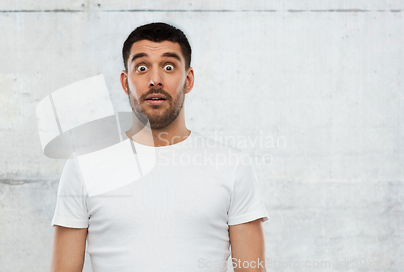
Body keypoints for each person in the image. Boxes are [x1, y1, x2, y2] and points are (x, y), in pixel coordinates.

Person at [49, 22, 269, 272]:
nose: (155, 80)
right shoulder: (84, 166)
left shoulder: (233, 166)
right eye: (142, 68)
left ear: (188, 80)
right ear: (125, 82)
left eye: (168, 66)